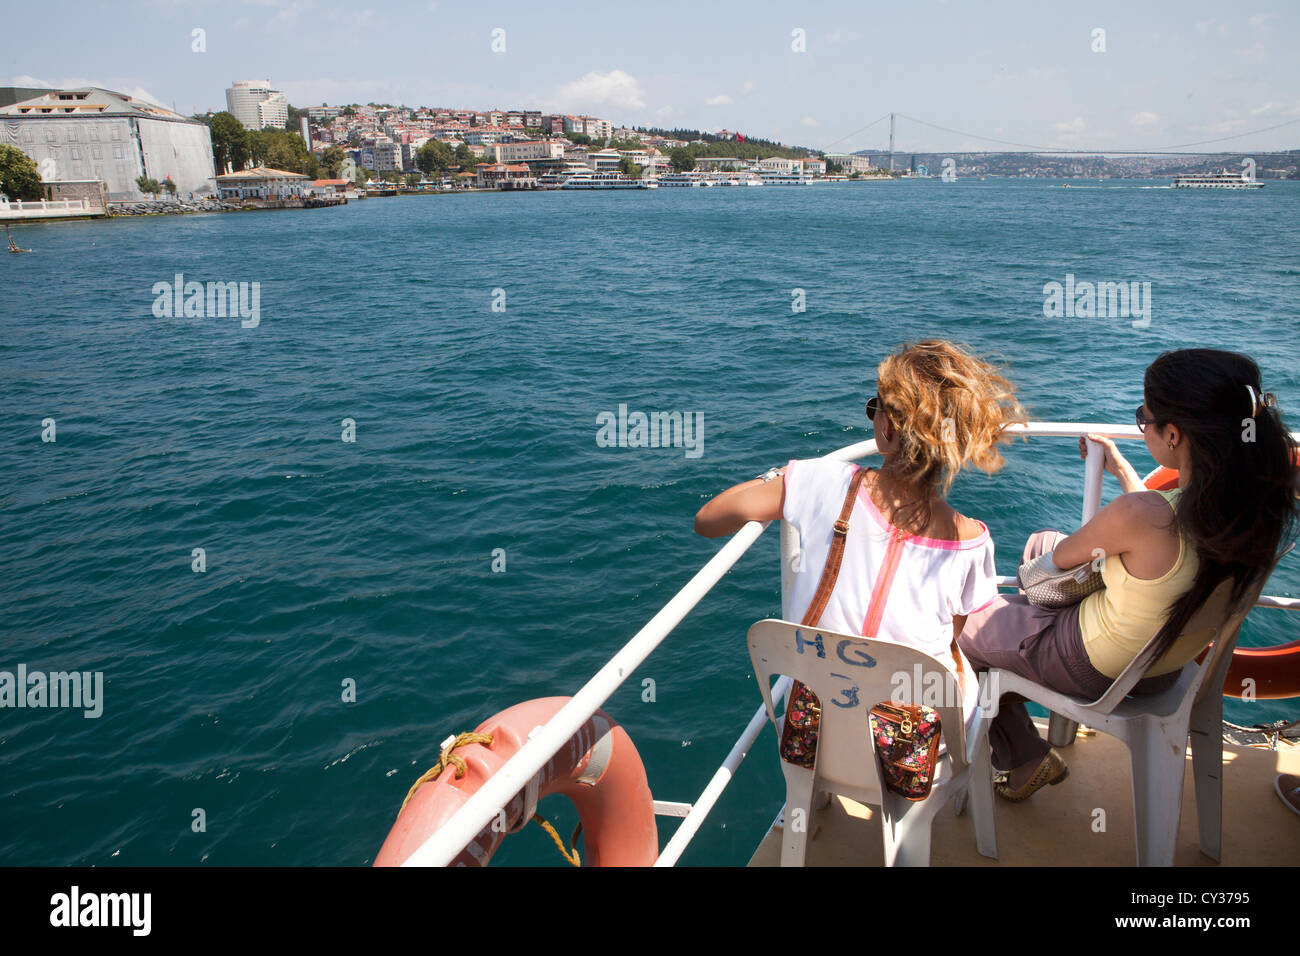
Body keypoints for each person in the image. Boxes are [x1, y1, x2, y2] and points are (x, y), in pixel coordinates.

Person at [958, 349, 1299, 800]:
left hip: (1093, 667)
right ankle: (1020, 730)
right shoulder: (1250, 509)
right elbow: (1162, 535)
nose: (1141, 423)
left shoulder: (1143, 515)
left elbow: (1043, 576)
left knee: (958, 625)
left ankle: (1021, 756)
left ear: (1173, 434)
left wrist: (1030, 589)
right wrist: (1118, 466)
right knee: (1040, 548)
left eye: (1145, 416)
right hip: (1164, 665)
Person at [694, 340, 1027, 765]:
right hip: (908, 752)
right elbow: (954, 635)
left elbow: (708, 519)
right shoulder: (971, 539)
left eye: (876, 407)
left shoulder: (821, 481)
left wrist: (782, 476)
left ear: (887, 428)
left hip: (812, 737)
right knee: (974, 669)